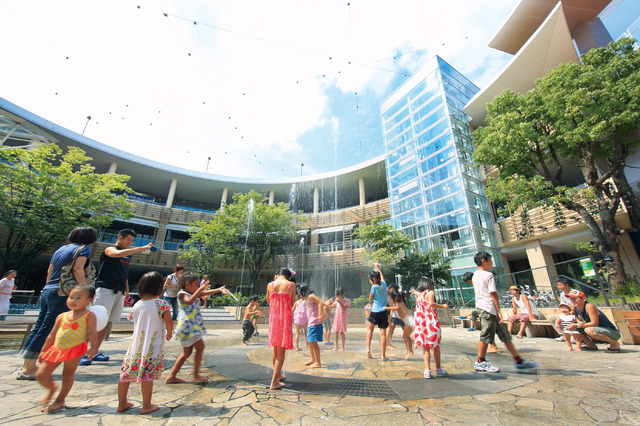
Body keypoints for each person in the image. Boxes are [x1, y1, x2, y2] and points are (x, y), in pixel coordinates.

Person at [18, 226, 97, 380]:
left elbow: (49, 271)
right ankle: (28, 369)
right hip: (63, 293)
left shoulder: (61, 249)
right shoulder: (83, 249)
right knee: (47, 329)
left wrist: (48, 288)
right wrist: (83, 291)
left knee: (39, 327)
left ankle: (28, 363)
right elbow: (77, 269)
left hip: (48, 290)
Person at [85, 229, 153, 365]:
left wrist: (126, 290)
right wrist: (139, 248)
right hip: (105, 289)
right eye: (128, 240)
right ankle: (81, 352)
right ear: (120, 237)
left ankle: (94, 351)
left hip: (119, 290)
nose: (130, 243)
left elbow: (124, 274)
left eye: (132, 241)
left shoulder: (127, 256)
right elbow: (115, 254)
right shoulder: (110, 249)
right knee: (96, 321)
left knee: (107, 322)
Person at [472, 251, 538, 373]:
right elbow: (493, 295)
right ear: (483, 261)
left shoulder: (475, 275)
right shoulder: (488, 275)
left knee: (504, 335)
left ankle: (519, 360)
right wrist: (499, 312)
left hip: (483, 307)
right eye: (490, 260)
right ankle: (480, 361)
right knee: (486, 335)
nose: (491, 263)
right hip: (488, 309)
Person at [36, 285, 98, 412]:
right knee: (41, 374)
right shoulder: (62, 316)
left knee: (67, 374)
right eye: (71, 297)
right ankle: (52, 388)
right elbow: (52, 334)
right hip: (56, 349)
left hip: (75, 349)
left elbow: (92, 332)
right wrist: (44, 349)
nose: (73, 301)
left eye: (78, 298)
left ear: (89, 300)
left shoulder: (89, 315)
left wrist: (93, 348)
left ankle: (60, 400)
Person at [118, 271, 173, 414]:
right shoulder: (161, 304)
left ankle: (122, 403)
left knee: (125, 374)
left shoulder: (137, 304)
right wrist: (169, 332)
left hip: (135, 346)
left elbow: (133, 319)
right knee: (147, 376)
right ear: (160, 288)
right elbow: (168, 321)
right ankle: (146, 405)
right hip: (152, 346)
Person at [165, 273, 228, 383]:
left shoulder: (191, 293)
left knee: (187, 353)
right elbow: (189, 301)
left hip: (188, 328)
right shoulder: (182, 294)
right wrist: (200, 290)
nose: (198, 287)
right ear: (187, 284)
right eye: (197, 285)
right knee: (200, 347)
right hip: (189, 327)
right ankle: (195, 375)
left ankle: (171, 376)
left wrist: (218, 289)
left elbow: (202, 293)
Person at [266, 268, 296, 389]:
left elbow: (269, 300)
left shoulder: (270, 285)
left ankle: (277, 375)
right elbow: (292, 302)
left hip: (274, 319)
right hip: (284, 319)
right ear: (288, 277)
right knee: (281, 352)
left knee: (275, 349)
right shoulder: (291, 285)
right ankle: (274, 382)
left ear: (277, 275)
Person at [413, 277, 448, 378]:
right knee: (435, 346)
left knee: (426, 347)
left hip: (421, 324)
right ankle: (438, 370)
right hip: (431, 323)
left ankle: (427, 371)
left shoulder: (418, 295)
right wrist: (443, 306)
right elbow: (431, 304)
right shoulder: (430, 292)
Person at [300, 285, 332, 368]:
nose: (300, 295)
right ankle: (312, 359)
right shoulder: (308, 298)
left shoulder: (311, 296)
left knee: (314, 343)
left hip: (314, 323)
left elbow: (320, 302)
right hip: (311, 322)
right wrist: (329, 306)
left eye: (300, 293)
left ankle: (318, 362)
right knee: (310, 342)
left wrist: (320, 314)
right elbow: (321, 302)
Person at [365, 263, 389, 361]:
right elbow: (382, 277)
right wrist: (378, 268)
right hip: (383, 312)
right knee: (383, 333)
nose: (370, 281)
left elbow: (370, 298)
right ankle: (383, 356)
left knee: (370, 329)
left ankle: (368, 350)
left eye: (371, 279)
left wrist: (373, 287)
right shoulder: (384, 284)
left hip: (375, 311)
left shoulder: (374, 287)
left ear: (373, 279)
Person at [384, 286, 413, 359]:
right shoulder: (397, 303)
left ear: (395, 298)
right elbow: (394, 307)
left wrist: (387, 307)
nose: (391, 299)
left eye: (392, 298)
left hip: (410, 321)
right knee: (405, 336)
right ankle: (410, 351)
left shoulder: (399, 303)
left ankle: (430, 347)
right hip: (408, 321)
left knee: (418, 336)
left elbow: (396, 308)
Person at [330, 287, 350, 352]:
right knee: (336, 331)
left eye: (339, 295)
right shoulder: (337, 300)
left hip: (342, 318)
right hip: (337, 317)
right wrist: (324, 305)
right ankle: (336, 345)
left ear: (343, 294)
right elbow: (332, 306)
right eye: (337, 296)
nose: (338, 297)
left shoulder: (346, 300)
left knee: (342, 332)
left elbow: (344, 308)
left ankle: (342, 346)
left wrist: (340, 302)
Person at [385, 283, 404, 350]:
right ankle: (387, 343)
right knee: (389, 327)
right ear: (392, 289)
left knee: (388, 327)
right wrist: (390, 306)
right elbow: (387, 302)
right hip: (385, 310)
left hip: (386, 310)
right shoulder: (386, 291)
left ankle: (388, 342)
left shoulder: (386, 291)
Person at [292, 287, 308, 351]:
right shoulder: (305, 302)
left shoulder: (296, 302)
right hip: (304, 318)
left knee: (297, 333)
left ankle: (296, 347)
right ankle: (307, 345)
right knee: (306, 332)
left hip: (297, 318)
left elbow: (292, 310)